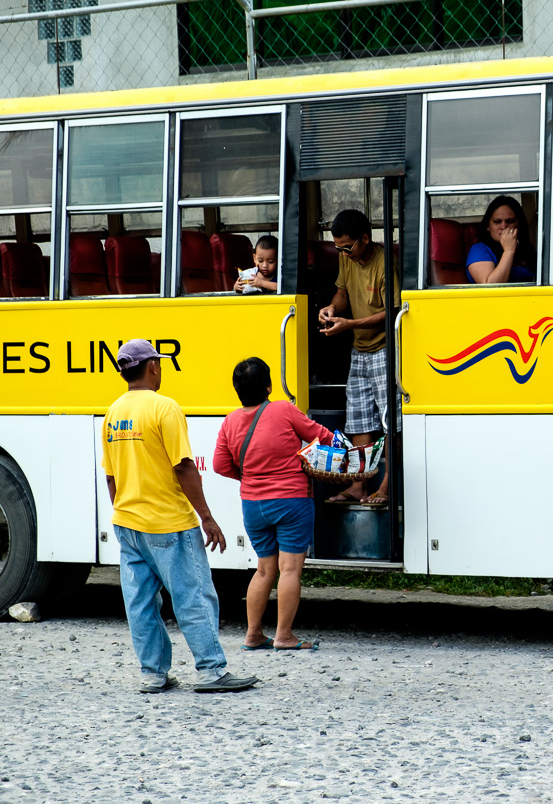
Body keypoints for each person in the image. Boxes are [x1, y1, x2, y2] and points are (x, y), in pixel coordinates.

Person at [101, 339, 258, 694]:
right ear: (152, 367)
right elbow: (184, 467)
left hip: (128, 523)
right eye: (158, 363)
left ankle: (153, 675)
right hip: (169, 522)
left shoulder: (113, 413)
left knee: (140, 603)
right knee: (194, 596)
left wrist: (124, 512)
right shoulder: (164, 408)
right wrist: (207, 517)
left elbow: (110, 476)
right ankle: (211, 671)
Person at [214, 357, 332, 651]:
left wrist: (247, 476)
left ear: (237, 390)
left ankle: (253, 635)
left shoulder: (230, 421)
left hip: (253, 505)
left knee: (264, 569)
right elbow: (323, 436)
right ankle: (284, 636)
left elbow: (219, 464)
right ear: (269, 386)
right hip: (291, 500)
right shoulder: (282, 409)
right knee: (290, 569)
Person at [317, 209, 392, 504]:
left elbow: (393, 312)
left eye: (347, 247)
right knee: (359, 422)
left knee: (390, 424)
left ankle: (386, 487)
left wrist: (351, 324)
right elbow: (342, 293)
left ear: (365, 238)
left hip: (386, 347)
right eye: (338, 248)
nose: (343, 253)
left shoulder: (386, 262)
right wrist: (333, 310)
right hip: (359, 349)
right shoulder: (346, 257)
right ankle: (359, 485)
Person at [466, 195, 536, 284]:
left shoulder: (525, 250)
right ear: (488, 225)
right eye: (497, 221)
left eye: (510, 221)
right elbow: (490, 286)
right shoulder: (480, 250)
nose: (503, 226)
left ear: (519, 224)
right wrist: (508, 250)